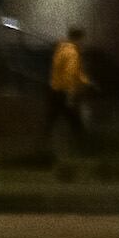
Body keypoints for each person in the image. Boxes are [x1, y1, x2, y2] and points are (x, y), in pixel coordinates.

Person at [44, 25, 91, 158]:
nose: (83, 42)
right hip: (64, 92)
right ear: (79, 38)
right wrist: (70, 95)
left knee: (51, 119)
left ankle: (42, 144)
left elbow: (73, 72)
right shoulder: (72, 53)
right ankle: (83, 149)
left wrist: (85, 80)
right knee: (75, 122)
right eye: (82, 39)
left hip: (54, 90)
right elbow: (70, 74)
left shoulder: (61, 48)